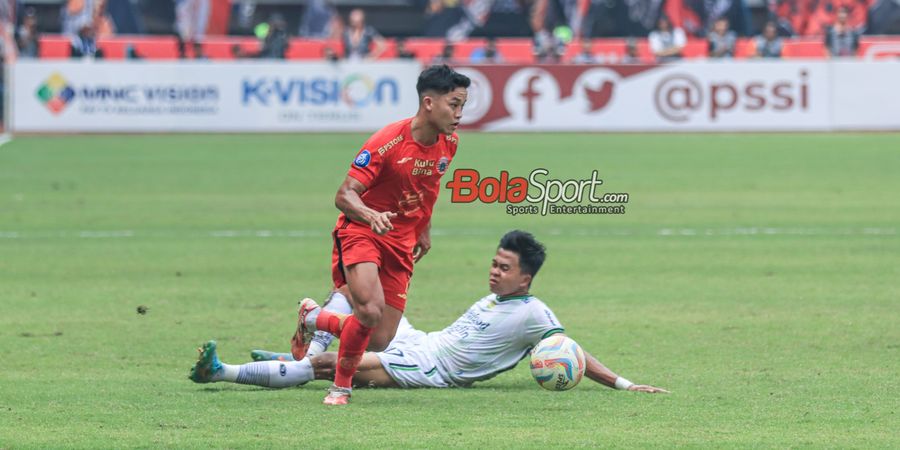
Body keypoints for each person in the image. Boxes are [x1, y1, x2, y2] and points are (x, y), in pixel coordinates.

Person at [189, 231, 669, 395]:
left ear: (526, 278)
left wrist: (624, 384)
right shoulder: (496, 300)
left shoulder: (534, 313)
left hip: (430, 369)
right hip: (423, 341)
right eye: (493, 263)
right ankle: (298, 347)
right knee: (350, 294)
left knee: (328, 368)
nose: (494, 272)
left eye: (504, 269)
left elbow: (573, 351)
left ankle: (221, 372)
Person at [289, 65, 470, 405]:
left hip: (401, 242)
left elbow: (428, 187)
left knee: (380, 339)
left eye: (463, 105)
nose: (459, 114)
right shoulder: (388, 141)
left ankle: (314, 318)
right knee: (369, 312)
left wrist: (424, 228)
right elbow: (344, 195)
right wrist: (371, 215)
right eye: (454, 104)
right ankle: (341, 387)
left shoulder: (449, 143)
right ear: (429, 103)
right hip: (363, 231)